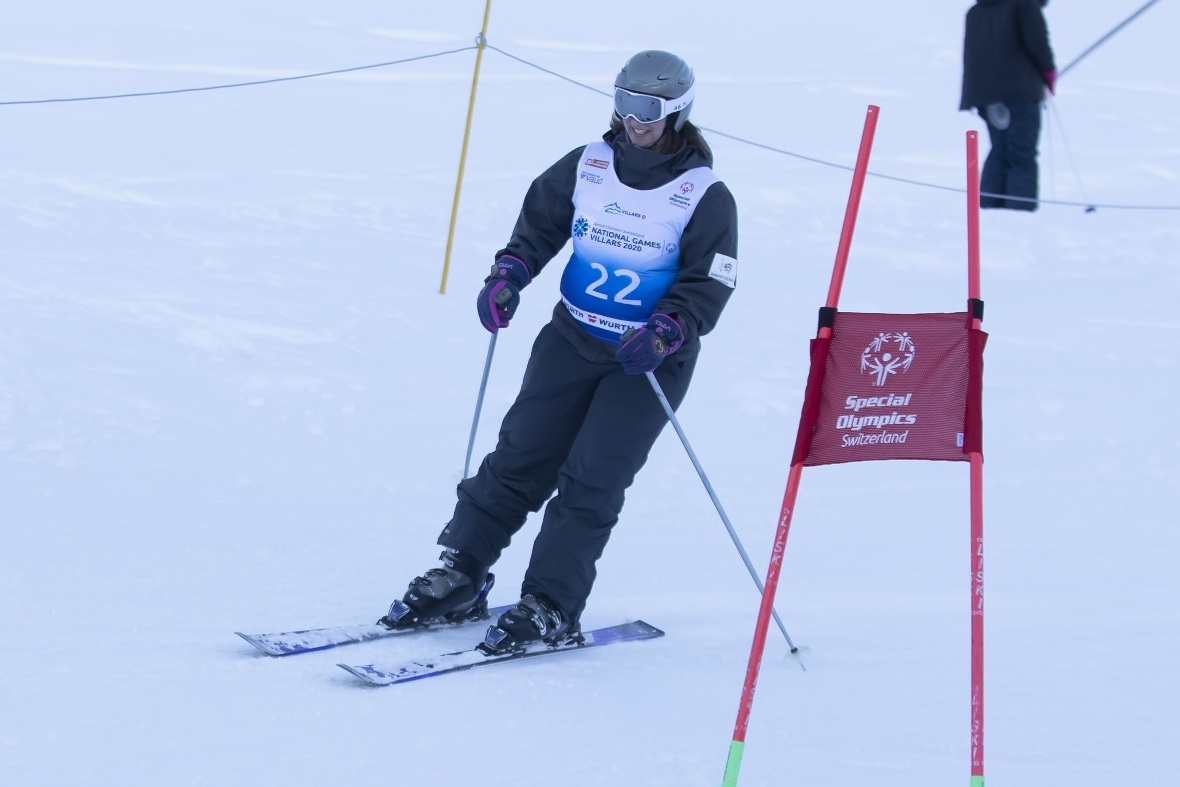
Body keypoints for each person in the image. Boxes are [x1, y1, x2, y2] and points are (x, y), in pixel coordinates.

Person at [379, 50, 739, 651]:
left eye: (647, 108)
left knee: (591, 478)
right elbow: (540, 227)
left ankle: (550, 603)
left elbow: (710, 281)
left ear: (676, 111)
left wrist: (668, 330)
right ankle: (461, 571)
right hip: (570, 337)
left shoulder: (704, 194)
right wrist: (509, 274)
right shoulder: (589, 165)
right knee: (520, 455)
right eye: (624, 103)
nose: (633, 119)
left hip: (644, 359)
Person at [959, 0, 1057, 211]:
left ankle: (989, 208)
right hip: (1020, 93)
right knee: (1021, 153)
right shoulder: (1023, 6)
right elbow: (1038, 43)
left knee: (1000, 150)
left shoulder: (976, 12)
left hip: (986, 96)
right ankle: (1019, 211)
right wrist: (1048, 72)